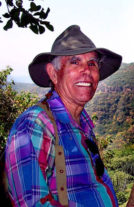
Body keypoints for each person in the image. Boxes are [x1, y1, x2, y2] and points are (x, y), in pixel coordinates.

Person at [5, 25, 122, 206]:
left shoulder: (83, 124)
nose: (86, 70)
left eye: (92, 63)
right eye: (75, 62)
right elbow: (33, 202)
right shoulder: (35, 124)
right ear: (53, 73)